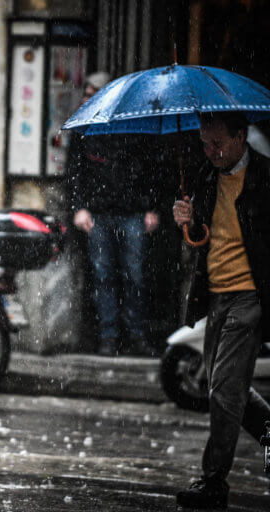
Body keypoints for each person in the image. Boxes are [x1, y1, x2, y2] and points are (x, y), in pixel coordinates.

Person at [173, 111, 270, 509]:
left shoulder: (264, 177)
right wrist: (189, 221)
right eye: (204, 143)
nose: (210, 151)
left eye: (217, 143)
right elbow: (201, 240)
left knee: (223, 392)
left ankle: (214, 481)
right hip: (216, 294)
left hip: (250, 293)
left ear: (241, 137)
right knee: (222, 381)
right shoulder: (206, 176)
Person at [65, 71, 160, 356]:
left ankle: (136, 334)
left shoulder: (131, 125)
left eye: (94, 94)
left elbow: (150, 168)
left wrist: (151, 207)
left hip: (131, 212)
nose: (88, 99)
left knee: (135, 276)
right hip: (98, 214)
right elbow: (74, 172)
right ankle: (108, 336)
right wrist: (79, 207)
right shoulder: (83, 128)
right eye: (87, 94)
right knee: (103, 276)